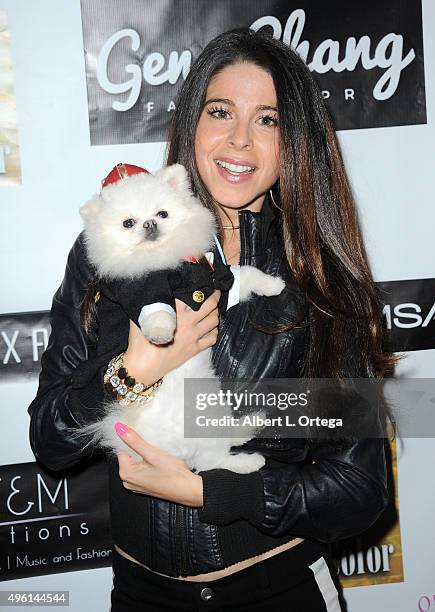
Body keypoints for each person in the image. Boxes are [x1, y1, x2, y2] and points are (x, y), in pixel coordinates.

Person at [28, 28, 396, 611]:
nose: (240, 140)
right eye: (221, 111)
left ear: (293, 140)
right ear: (192, 122)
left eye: (269, 120)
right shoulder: (107, 247)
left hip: (276, 591)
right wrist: (134, 370)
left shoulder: (318, 279)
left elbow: (358, 490)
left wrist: (212, 491)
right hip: (142, 595)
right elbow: (50, 440)